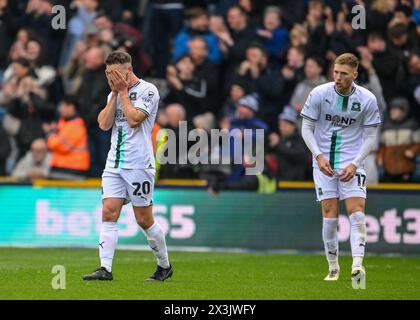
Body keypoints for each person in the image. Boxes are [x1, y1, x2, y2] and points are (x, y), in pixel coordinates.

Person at [83, 51, 172, 282]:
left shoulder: (148, 91)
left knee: (144, 219)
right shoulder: (112, 94)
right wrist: (114, 94)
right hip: (114, 163)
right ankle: (105, 269)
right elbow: (103, 124)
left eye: (116, 74)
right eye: (108, 74)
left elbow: (133, 119)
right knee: (108, 212)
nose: (111, 78)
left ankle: (164, 266)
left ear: (129, 70)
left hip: (139, 165)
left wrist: (122, 92)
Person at [300, 53, 381, 283]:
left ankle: (357, 266)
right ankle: (333, 268)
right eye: (335, 72)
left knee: (357, 214)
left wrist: (355, 163)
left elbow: (370, 136)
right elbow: (306, 128)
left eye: (343, 74)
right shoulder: (319, 93)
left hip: (352, 164)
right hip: (323, 163)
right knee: (330, 217)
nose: (337, 77)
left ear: (354, 74)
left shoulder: (367, 99)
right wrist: (318, 155)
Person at [43, 96, 90, 180]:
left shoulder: (76, 125)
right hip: (64, 168)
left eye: (63, 106)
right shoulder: (64, 123)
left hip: (72, 170)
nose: (60, 109)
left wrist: (50, 133)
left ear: (71, 107)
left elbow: (56, 145)